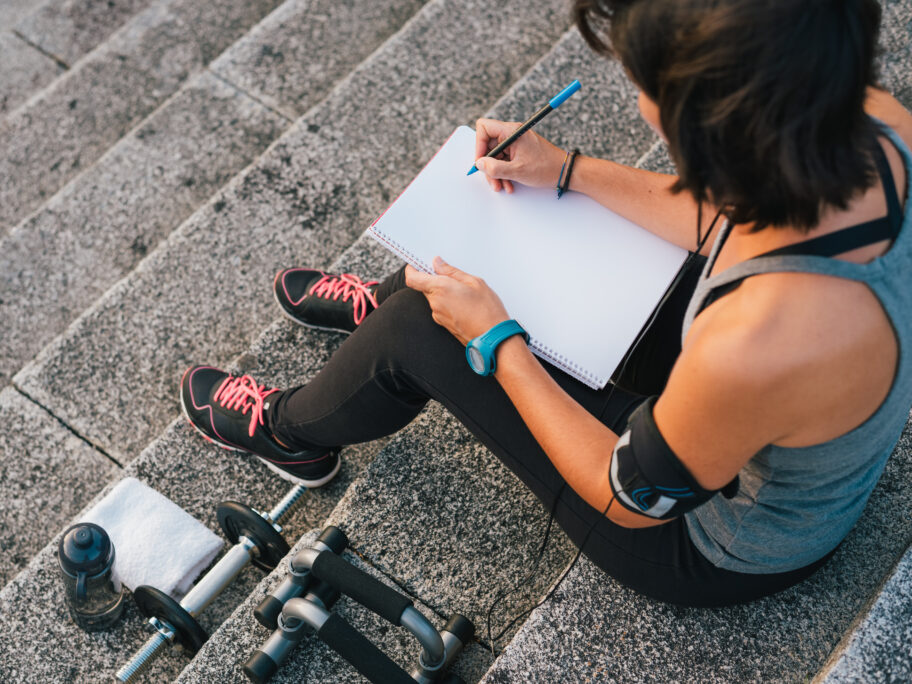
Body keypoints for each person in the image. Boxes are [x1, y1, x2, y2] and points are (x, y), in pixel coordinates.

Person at [179, 0, 912, 607]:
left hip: (712, 543)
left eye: (645, 84)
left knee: (418, 327)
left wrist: (499, 339)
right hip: (766, 420)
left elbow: (626, 493)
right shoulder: (874, 122)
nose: (638, 100)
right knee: (491, 256)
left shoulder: (757, 342)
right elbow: (731, 217)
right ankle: (394, 315)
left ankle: (292, 434)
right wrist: (565, 170)